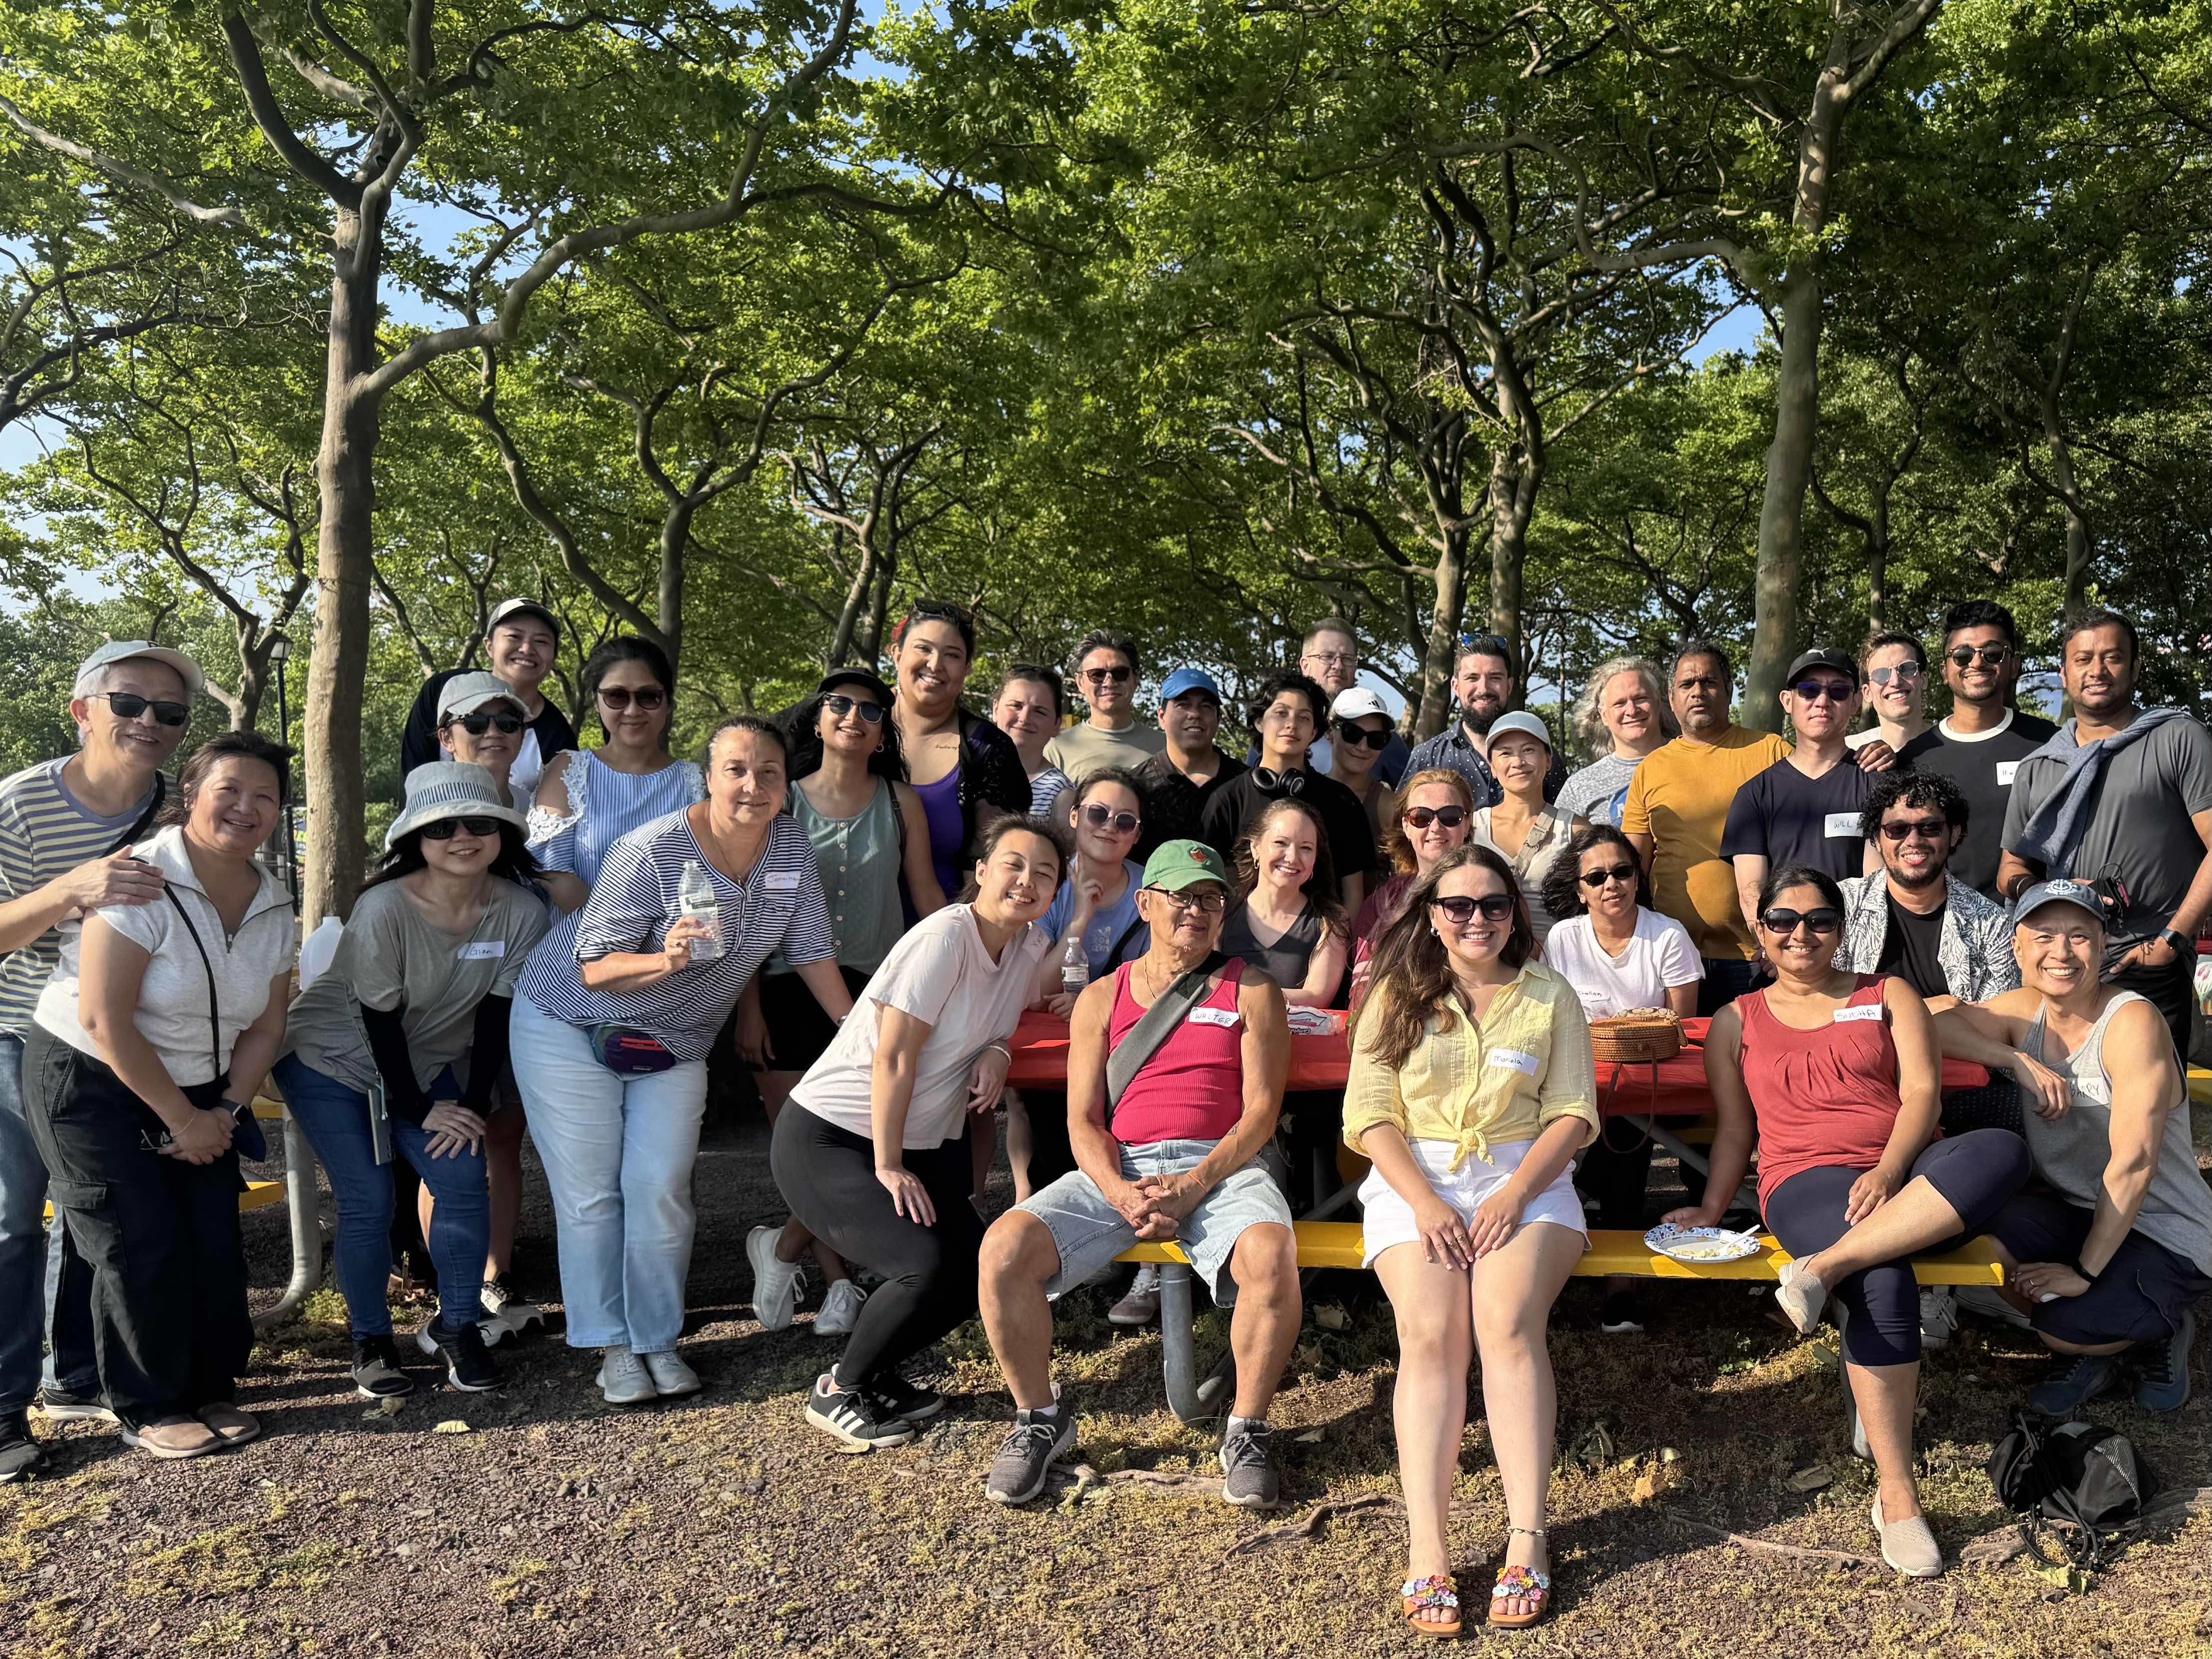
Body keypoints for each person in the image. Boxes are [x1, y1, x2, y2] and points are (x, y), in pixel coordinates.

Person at [1691, 865, 2032, 1578]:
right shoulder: (1736, 1019)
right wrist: (1709, 1208)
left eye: (1819, 919)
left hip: (1909, 1171)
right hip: (1804, 1181)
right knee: (1883, 1278)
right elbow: (1734, 1130)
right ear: (1760, 930)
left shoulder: (1887, 993)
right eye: (1783, 920)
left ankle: (1821, 1268)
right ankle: (1896, 1494)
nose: (1801, 934)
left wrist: (1887, 1169)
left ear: (1841, 928)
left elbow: (1922, 1094)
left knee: (2001, 1148)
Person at [512, 718, 853, 1406]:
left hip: (675, 1040)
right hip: (568, 1023)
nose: (752, 785)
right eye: (736, 770)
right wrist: (664, 961)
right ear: (708, 779)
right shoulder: (651, 849)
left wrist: (856, 1029)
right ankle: (613, 1346)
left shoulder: (790, 845)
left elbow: (811, 947)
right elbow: (595, 967)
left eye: (768, 772)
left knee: (661, 1187)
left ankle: (658, 1338)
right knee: (592, 1194)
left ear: (787, 785)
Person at [978, 839, 1299, 1507]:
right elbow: (1081, 1120)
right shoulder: (1101, 995)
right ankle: (1038, 1418)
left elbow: (1261, 1113)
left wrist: (1194, 1183)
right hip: (1120, 1163)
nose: (1197, 910)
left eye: (1210, 898)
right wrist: (1120, 1191)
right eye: (1182, 896)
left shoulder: (1252, 988)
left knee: (1270, 1253)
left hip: (1220, 1163)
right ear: (1146, 903)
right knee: (1003, 1248)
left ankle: (1247, 1429)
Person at [1345, 845, 1599, 1631]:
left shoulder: (1548, 993)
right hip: (1413, 1180)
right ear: (1431, 916)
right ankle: (1428, 1547)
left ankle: (1528, 1534)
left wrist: (1513, 1194)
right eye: (1457, 905)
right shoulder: (1395, 992)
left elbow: (1572, 1112)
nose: (1476, 919)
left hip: (1527, 1176)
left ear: (1513, 912)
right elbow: (1369, 1113)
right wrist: (1423, 1201)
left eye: (1492, 904)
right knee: (1430, 1333)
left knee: (1506, 1324)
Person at [23, 733, 297, 1460]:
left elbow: (267, 1025)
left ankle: (210, 1384)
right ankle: (148, 1403)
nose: (246, 807)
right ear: (192, 794)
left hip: (207, 1087)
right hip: (92, 1077)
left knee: (211, 1239)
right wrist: (182, 1118)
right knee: (134, 1238)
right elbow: (102, 1018)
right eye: (229, 790)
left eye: (265, 796)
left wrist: (226, 1111)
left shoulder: (274, 902)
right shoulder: (141, 877)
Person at [772, 815, 1064, 1450]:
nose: (1027, 880)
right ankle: (840, 1389)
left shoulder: (1028, 944)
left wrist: (1000, 1052)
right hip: (832, 1134)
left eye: (1044, 873)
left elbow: (1004, 1019)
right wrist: (888, 1163)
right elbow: (895, 1056)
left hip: (916, 1140)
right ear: (980, 872)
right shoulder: (943, 938)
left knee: (978, 1265)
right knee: (925, 1266)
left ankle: (874, 1375)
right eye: (1013, 864)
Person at [273, 764, 549, 1400]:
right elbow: (379, 1021)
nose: (462, 836)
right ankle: (371, 1340)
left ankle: (458, 1325)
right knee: (369, 1199)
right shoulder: (385, 906)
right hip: (332, 1057)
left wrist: (470, 1105)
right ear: (415, 840)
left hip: (425, 1062)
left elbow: (496, 1015)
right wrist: (421, 1108)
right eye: (441, 827)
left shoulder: (522, 910)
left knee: (463, 1176)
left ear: (502, 834)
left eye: (478, 823)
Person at [0, 640, 200, 1477]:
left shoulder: (177, 806)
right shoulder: (20, 804)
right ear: (83, 710)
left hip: (113, 1040)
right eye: (129, 702)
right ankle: (4, 1409)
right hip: (16, 1032)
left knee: (99, 1210)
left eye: (170, 711)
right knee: (15, 1218)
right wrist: (69, 891)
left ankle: (76, 1376)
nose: (149, 720)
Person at [1943, 880, 2212, 1415]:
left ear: (2103, 945)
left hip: (2162, 1225)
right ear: (2017, 948)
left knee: (2061, 1330)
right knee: (1978, 1232)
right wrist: (2015, 1059)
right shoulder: (2024, 1010)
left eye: (2079, 936)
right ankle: (2091, 1335)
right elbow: (1932, 1025)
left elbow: (2134, 1163)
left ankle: (2152, 1330)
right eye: (2043, 936)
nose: (2061, 952)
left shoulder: (2131, 1022)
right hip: (2080, 1210)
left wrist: (2083, 1272)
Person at [742, 669, 948, 1338]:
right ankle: (837, 1283)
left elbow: (925, 895)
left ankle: (782, 1248)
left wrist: (969, 957)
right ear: (818, 717)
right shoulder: (781, 801)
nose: (854, 716)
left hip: (877, 990)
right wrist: (748, 1007)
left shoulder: (901, 801)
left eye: (870, 709)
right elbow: (750, 912)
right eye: (839, 703)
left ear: (884, 731)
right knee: (805, 1152)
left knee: (857, 1141)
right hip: (783, 985)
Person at [1998, 608, 2212, 1063]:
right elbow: (2010, 870)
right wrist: (2049, 891)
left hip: (2146, 960)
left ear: (2135, 668)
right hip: (2063, 966)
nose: (2096, 670)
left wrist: (2171, 941)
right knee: (2063, 1097)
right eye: (2082, 659)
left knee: (2150, 1096)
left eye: (2112, 657)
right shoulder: (2039, 766)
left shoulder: (2178, 738)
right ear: (2063, 674)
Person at [1540, 825, 1703, 1336]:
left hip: (1657, 1083)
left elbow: (1680, 1029)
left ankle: (1617, 1275)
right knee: (1620, 1137)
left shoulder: (1668, 935)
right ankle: (1616, 1275)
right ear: (1579, 890)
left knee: (1626, 1135)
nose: (1610, 883)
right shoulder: (1563, 938)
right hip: (1582, 1082)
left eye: (1622, 871)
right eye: (1596, 877)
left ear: (1637, 878)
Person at [1621, 642, 1791, 1012]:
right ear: (1671, 699)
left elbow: (1800, 849)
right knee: (1680, 1051)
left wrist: (1785, 940)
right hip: (1673, 956)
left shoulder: (1771, 751)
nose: (1698, 692)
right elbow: (1632, 868)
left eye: (1709, 682)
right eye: (1687, 684)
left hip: (1758, 956)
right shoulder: (1651, 768)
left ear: (1729, 690)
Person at [529, 637, 705, 917]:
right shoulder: (569, 771)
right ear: (597, 703)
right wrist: (625, 933)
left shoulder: (698, 783)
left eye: (649, 697)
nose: (633, 710)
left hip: (675, 939)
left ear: (669, 703)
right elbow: (552, 872)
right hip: (583, 937)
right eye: (617, 696)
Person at [1894, 601, 2057, 898]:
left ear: (2014, 665)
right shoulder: (1913, 759)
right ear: (1945, 671)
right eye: (1963, 656)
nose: (1977, 663)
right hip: (1944, 922)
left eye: (1993, 654)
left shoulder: (2049, 744)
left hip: (2033, 918)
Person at [1720, 648, 1880, 940]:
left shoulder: (1879, 786)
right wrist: (1773, 946)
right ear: (1787, 701)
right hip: (1785, 951)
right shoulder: (1754, 795)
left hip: (1860, 951)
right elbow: (1751, 892)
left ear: (1856, 703)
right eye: (1809, 690)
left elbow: (1878, 888)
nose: (1823, 701)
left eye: (1838, 691)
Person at [887, 600, 1032, 905]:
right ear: (897, 654)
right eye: (923, 649)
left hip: (947, 922)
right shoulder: (851, 724)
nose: (935, 664)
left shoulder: (987, 748)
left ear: (967, 668)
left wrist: (958, 933)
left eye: (952, 655)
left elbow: (993, 871)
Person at [1200, 670, 1378, 915]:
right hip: (1238, 933)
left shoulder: (1342, 802)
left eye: (1304, 718)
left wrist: (1344, 939)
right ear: (1259, 722)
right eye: (1281, 713)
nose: (1292, 724)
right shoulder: (1227, 800)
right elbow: (1206, 884)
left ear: (1314, 732)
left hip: (1323, 934)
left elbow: (1354, 894)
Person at [400, 598, 574, 804]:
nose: (527, 649)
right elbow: (414, 776)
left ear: (554, 656)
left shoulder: (558, 736)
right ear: (489, 646)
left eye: (542, 641)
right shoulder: (443, 691)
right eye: (514, 636)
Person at [1349, 768, 1477, 998]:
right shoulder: (1382, 902)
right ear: (1406, 827)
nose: (1435, 827)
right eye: (1421, 817)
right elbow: (1362, 991)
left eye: (1450, 816)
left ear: (1467, 824)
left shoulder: (1494, 892)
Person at [1402, 634, 1567, 807]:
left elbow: (1566, 819)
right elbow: (1402, 821)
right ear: (1456, 687)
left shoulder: (1543, 757)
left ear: (1510, 686)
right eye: (1472, 678)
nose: (1483, 689)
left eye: (1495, 677)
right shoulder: (1427, 757)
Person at [1219, 799, 1350, 1007]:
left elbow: (1318, 996)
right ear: (1255, 848)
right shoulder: (1222, 910)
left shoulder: (1331, 920)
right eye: (1281, 843)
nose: (1292, 857)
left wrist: (1247, 997)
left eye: (1306, 848)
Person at [1469, 712, 1581, 951]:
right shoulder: (1470, 827)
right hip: (1486, 960)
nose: (1518, 762)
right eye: (1505, 753)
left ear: (1548, 760)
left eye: (1529, 750)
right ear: (1493, 767)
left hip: (1557, 962)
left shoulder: (1576, 830)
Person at [1131, 668, 1245, 862]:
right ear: (1162, 717)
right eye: (1183, 705)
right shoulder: (1137, 786)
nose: (1194, 714)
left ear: (1219, 718)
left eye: (1206, 706)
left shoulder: (1244, 784)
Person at [1555, 656, 1675, 830]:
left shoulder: (1694, 758)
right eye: (1620, 703)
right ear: (1604, 715)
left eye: (1641, 698)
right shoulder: (1579, 787)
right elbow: (1558, 845)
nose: (1632, 710)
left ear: (1658, 703)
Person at [1296, 618, 1409, 784]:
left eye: (1348, 659)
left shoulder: (1381, 739)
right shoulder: (1279, 732)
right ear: (1305, 665)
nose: (1338, 666)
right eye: (1327, 657)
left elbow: (1412, 796)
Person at [1042, 628, 1164, 783]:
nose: (1109, 682)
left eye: (1120, 673)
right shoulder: (1056, 750)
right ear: (1080, 683)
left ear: (1135, 679)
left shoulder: (1167, 748)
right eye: (1097, 675)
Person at [432, 672, 534, 808]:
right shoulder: (425, 816)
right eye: (475, 722)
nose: (493, 733)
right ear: (447, 739)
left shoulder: (539, 810)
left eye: (508, 721)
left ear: (522, 734)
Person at [989, 665, 1074, 819]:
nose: (1025, 718)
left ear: (1057, 725)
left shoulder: (1060, 795)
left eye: (1040, 712)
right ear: (996, 709)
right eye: (1016, 706)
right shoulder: (963, 772)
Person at [1325, 687, 1398, 845]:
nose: (1363, 747)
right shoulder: (1305, 794)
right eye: (1352, 733)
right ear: (1330, 732)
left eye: (1376, 739)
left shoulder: (1391, 808)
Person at [1849, 632, 1932, 758]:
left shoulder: (1954, 743)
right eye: (1881, 675)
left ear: (1924, 680)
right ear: (1867, 693)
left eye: (1907, 669)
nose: (1896, 682)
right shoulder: (1849, 753)